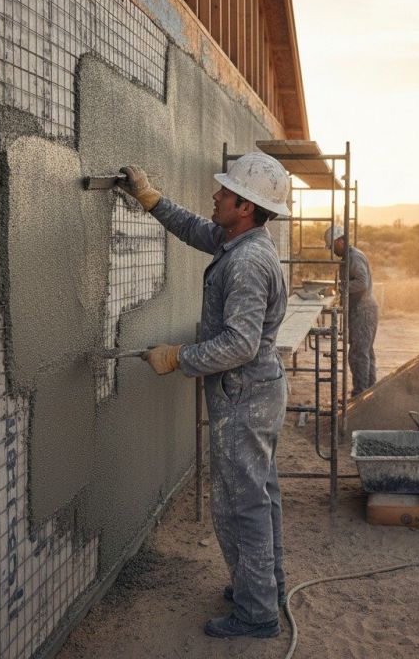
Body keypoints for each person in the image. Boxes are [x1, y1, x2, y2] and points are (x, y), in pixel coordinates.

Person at [118, 151, 290, 640]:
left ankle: (256, 614)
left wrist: (177, 357)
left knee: (241, 504)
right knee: (259, 496)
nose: (215, 195)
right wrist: (150, 199)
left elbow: (240, 345)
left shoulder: (248, 263)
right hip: (255, 392)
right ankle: (265, 588)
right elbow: (196, 229)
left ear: (245, 207)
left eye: (225, 192)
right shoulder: (241, 241)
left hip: (244, 397)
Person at [324, 224, 379, 396]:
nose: (333, 251)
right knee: (365, 352)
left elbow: (362, 283)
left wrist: (341, 288)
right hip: (362, 309)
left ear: (340, 241)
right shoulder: (350, 256)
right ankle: (369, 392)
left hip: (363, 310)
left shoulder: (354, 257)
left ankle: (360, 394)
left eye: (333, 246)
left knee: (358, 354)